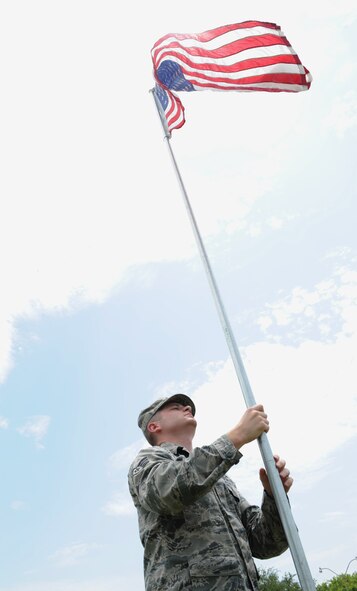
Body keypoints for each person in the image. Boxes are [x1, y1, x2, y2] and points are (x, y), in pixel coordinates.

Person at [128, 393, 293, 591]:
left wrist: (274, 497)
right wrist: (236, 437)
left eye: (187, 406)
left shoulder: (221, 478)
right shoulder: (148, 460)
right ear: (154, 426)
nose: (187, 408)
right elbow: (168, 493)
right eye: (175, 407)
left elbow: (266, 543)